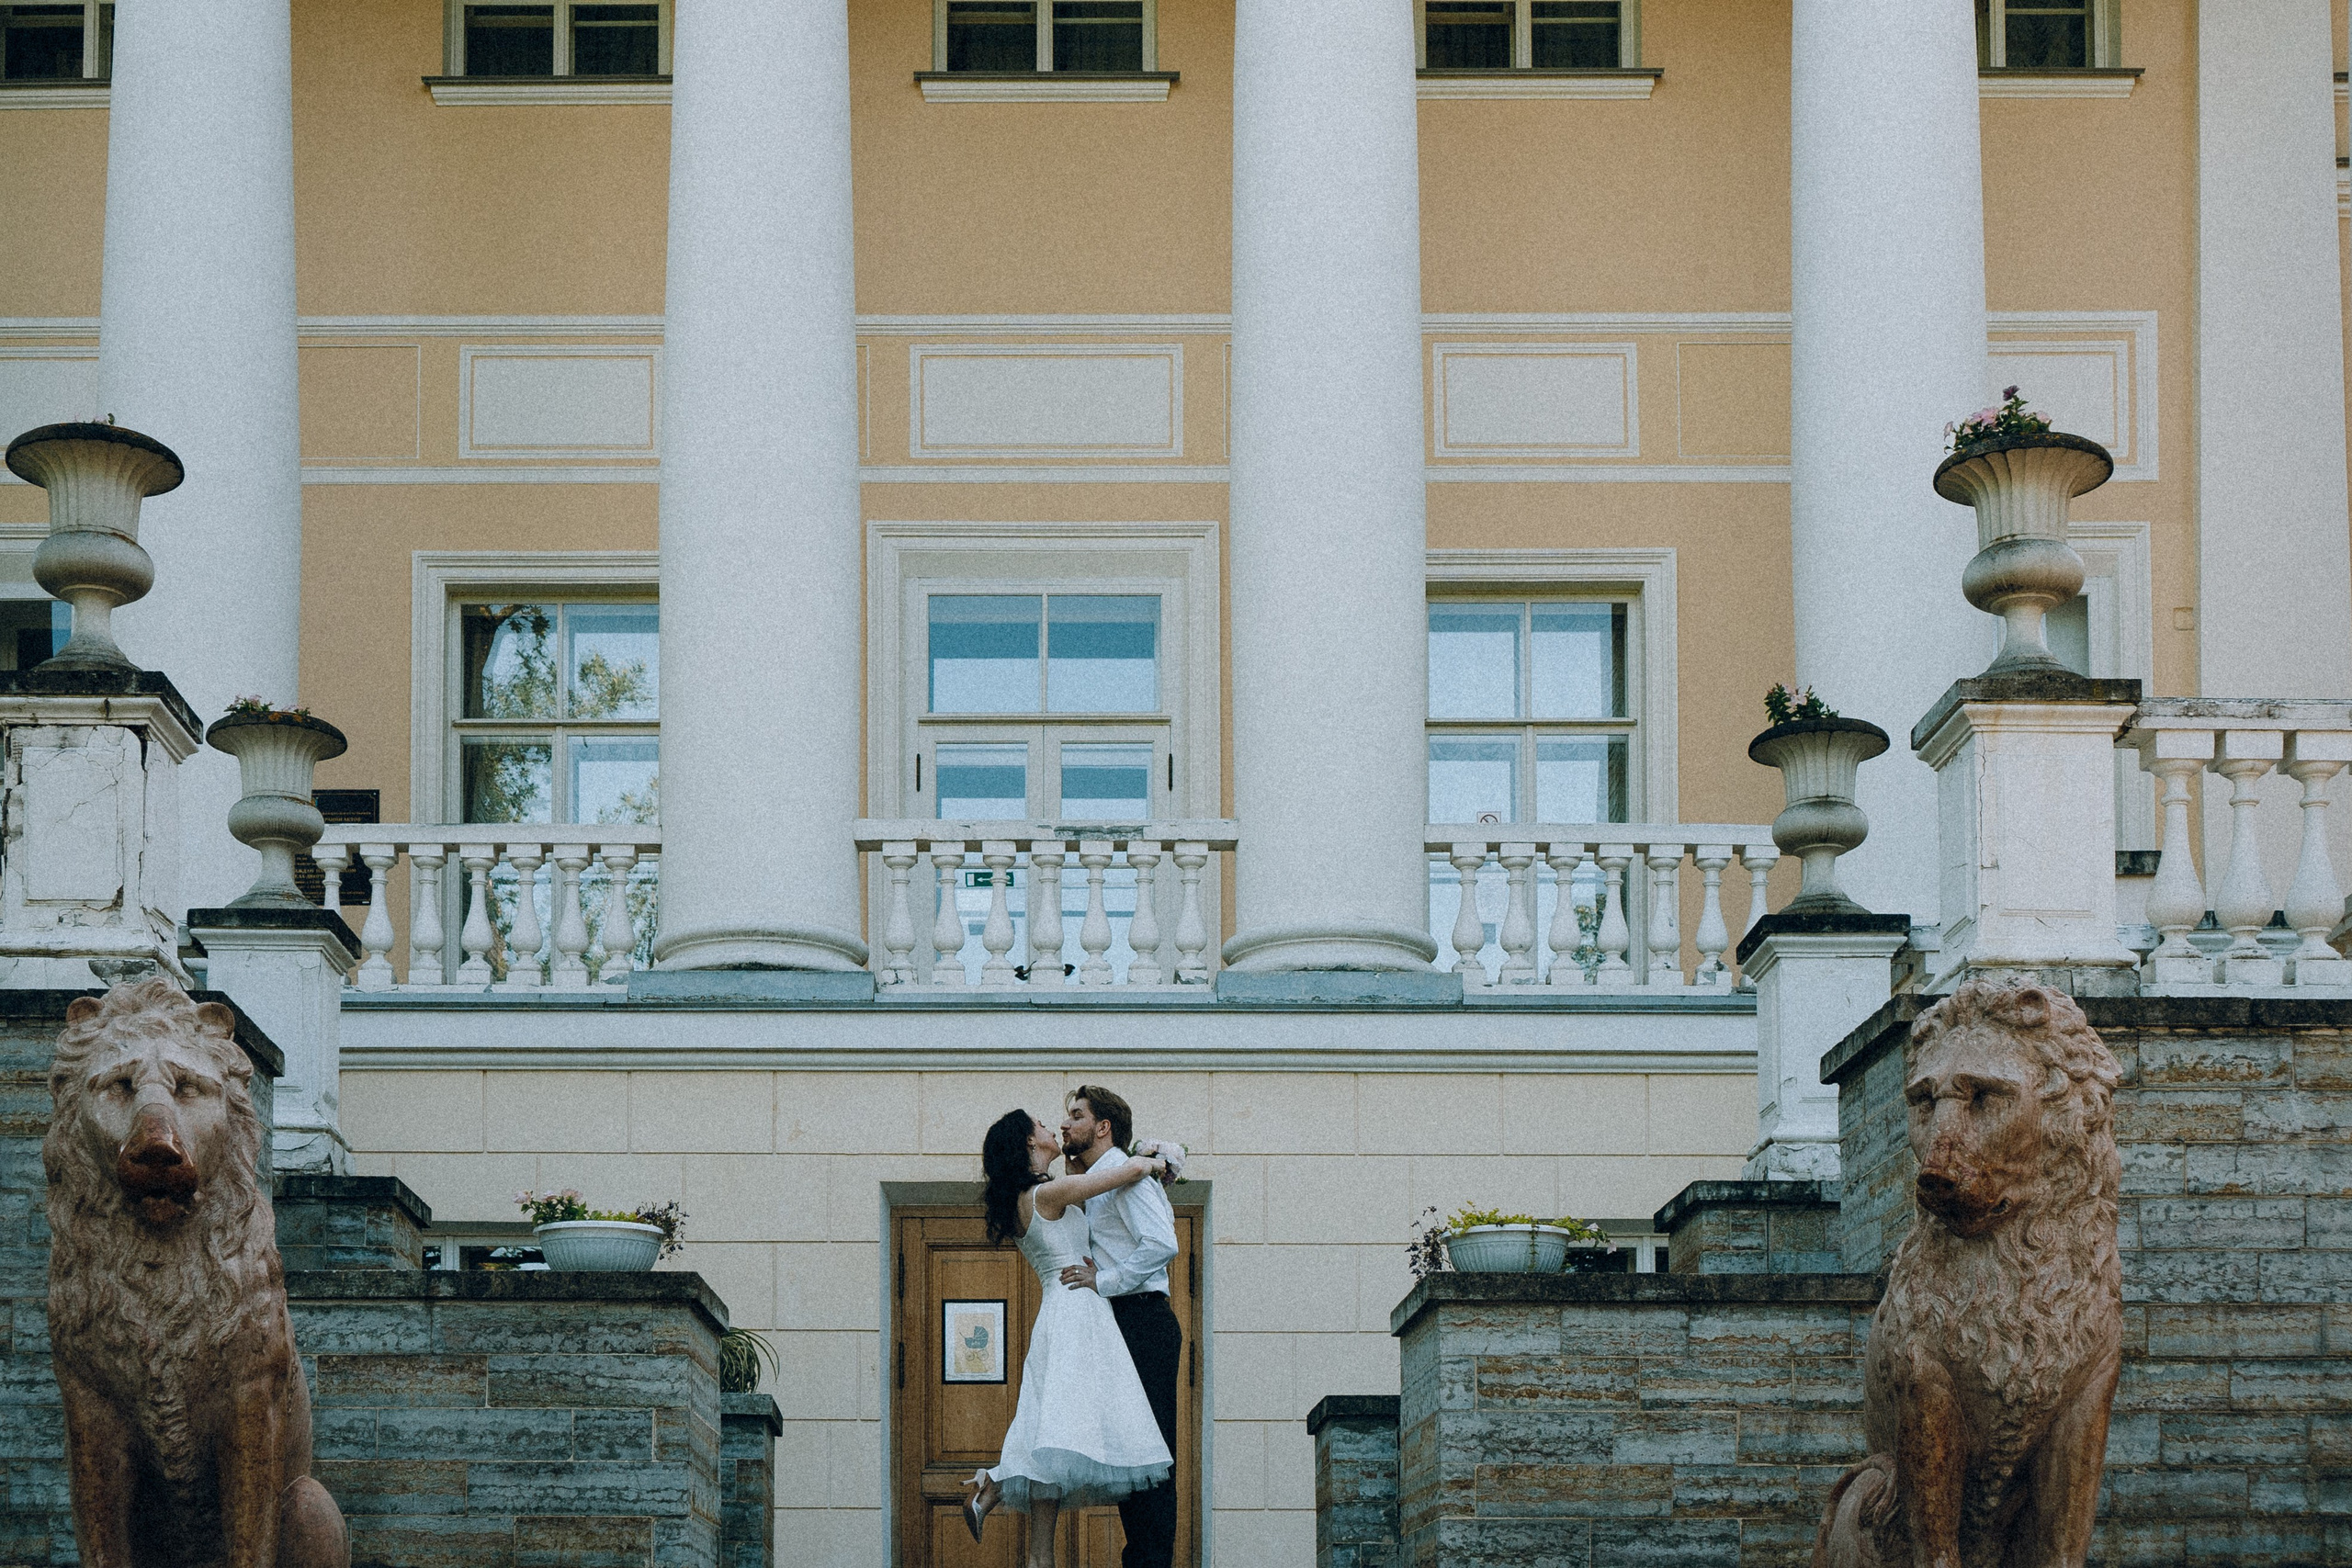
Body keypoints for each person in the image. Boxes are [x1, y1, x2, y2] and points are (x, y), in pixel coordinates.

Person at [965, 1109, 1173, 1568]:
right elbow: (1130, 1171)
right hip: (1079, 1308)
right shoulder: (1049, 1193)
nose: (1052, 1127)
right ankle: (997, 1488)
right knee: (1060, 1427)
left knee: (1050, 1426)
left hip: (1056, 1314)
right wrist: (1154, 1160)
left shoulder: (1026, 1197)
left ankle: (1024, 1532)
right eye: (1041, 1125)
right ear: (1028, 1144)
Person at [1057, 1086, 1182, 1568]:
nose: (1066, 1124)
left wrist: (1103, 1280)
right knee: (1132, 1449)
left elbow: (1162, 1243)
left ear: (1103, 1126)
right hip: (1121, 1321)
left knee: (1152, 1453)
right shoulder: (1097, 1179)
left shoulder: (1126, 1178)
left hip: (1143, 1319)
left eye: (1076, 1116)